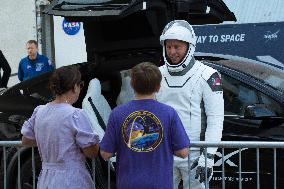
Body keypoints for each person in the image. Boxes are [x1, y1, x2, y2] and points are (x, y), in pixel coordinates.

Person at [156, 20, 224, 189]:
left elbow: (215, 119)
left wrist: (208, 157)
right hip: (164, 152)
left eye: (177, 47)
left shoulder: (208, 75)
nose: (172, 52)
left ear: (189, 46)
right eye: (169, 46)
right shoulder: (156, 74)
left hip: (195, 154)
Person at [100, 62, 190, 189]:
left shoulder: (117, 113)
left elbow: (105, 153)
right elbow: (183, 151)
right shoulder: (169, 113)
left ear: (132, 84)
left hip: (128, 184)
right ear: (158, 87)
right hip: (160, 185)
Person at [21, 65, 99, 189]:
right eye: (80, 85)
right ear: (74, 87)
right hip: (72, 178)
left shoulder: (39, 111)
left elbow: (25, 140)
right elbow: (91, 152)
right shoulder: (75, 114)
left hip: (46, 178)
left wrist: (49, 140)